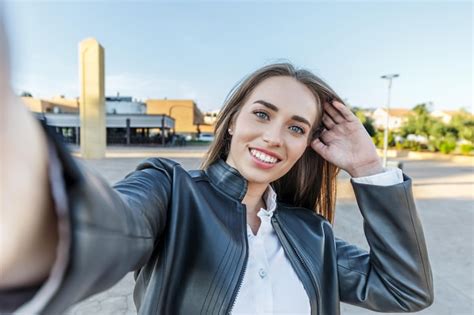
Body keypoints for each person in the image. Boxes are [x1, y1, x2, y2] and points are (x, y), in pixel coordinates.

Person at [0, 17, 433, 315]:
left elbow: (404, 290)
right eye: (262, 114)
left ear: (308, 146)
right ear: (232, 123)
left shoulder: (311, 234)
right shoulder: (170, 191)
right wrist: (31, 210)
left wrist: (368, 166)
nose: (273, 137)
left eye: (296, 128)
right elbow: (109, 228)